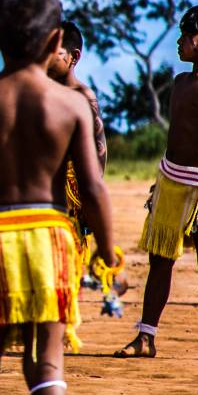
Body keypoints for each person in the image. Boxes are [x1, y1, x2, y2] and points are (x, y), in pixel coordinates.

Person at [0, 0, 116, 395]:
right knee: (46, 368)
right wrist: (109, 257)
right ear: (55, 41)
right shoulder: (71, 105)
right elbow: (93, 188)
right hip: (51, 242)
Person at [115, 5, 198, 359]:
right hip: (171, 181)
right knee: (160, 261)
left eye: (185, 36)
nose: (179, 42)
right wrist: (160, 182)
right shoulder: (180, 83)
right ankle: (145, 337)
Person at [47, 21, 113, 288]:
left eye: (54, 52)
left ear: (73, 57)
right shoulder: (38, 91)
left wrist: (88, 196)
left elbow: (99, 151)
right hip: (40, 189)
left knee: (66, 259)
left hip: (70, 193)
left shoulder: (83, 96)